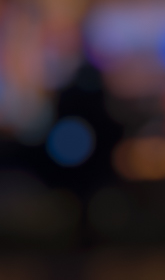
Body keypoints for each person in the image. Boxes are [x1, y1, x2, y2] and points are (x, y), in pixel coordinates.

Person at [35, 48, 121, 242]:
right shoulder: (91, 100)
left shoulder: (69, 97)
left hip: (79, 166)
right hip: (79, 166)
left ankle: (79, 234)